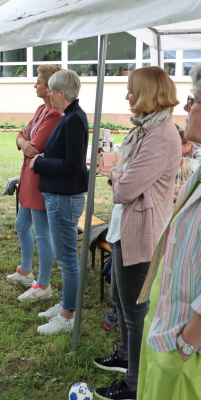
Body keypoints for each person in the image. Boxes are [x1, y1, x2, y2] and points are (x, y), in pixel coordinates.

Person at [93, 66, 181, 400]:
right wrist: (119, 174)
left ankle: (133, 384)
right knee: (120, 297)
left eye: (132, 90)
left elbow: (124, 187)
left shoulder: (160, 136)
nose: (128, 95)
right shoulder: (145, 128)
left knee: (134, 311)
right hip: (124, 227)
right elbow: (120, 173)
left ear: (147, 93)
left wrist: (117, 177)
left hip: (143, 232)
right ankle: (126, 358)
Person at [136, 65, 201, 400]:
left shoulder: (161, 135)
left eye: (193, 100)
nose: (186, 108)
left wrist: (188, 343)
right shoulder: (199, 171)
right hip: (168, 329)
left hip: (187, 346)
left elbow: (125, 185)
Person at [29, 69, 88, 335]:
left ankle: (67, 316)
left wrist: (40, 162)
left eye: (51, 90)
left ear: (61, 93)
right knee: (65, 259)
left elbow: (74, 165)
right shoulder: (69, 115)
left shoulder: (74, 119)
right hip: (58, 196)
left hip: (64, 199)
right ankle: (66, 304)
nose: (47, 94)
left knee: (67, 261)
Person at [6, 65, 61, 302]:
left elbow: (35, 145)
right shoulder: (41, 109)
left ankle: (44, 284)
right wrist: (22, 140)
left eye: (38, 82)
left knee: (42, 232)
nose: (35, 85)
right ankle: (26, 271)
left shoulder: (55, 114)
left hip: (40, 177)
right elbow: (22, 136)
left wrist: (26, 141)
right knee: (21, 224)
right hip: (29, 174)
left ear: (50, 88)